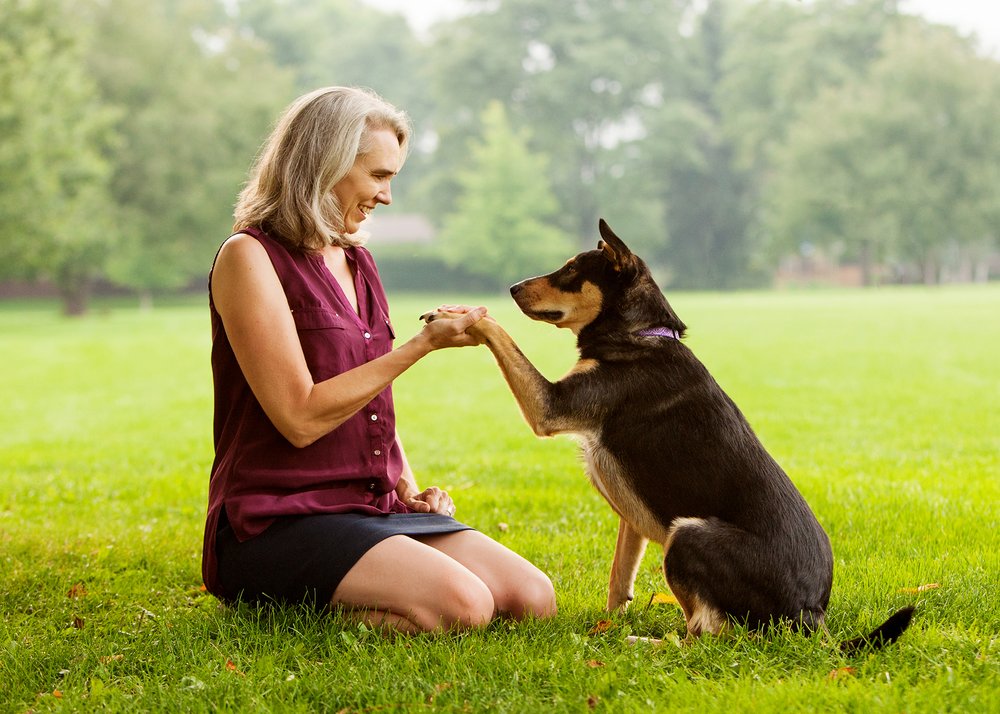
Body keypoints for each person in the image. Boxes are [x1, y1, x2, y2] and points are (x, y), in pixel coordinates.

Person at [201, 86, 556, 633]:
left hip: (370, 509)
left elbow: (367, 399)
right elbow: (299, 418)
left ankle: (367, 580)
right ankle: (273, 605)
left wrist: (407, 489)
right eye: (378, 176)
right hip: (278, 518)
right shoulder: (249, 258)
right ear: (324, 166)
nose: (387, 196)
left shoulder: (358, 261)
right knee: (464, 607)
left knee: (532, 597)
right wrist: (422, 345)